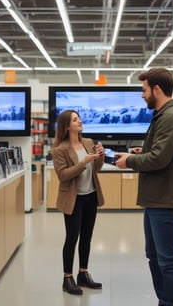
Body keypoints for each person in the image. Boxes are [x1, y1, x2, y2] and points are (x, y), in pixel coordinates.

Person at [115, 68, 173, 306]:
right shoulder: (164, 115)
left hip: (166, 199)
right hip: (157, 198)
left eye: (144, 90)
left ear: (156, 89)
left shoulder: (171, 117)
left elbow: (159, 159)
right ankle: (165, 300)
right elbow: (161, 152)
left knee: (167, 260)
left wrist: (129, 161)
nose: (142, 95)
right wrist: (142, 152)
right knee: (155, 257)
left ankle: (169, 303)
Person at [52, 109, 105, 296]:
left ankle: (83, 274)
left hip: (90, 195)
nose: (80, 121)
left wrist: (100, 155)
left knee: (87, 236)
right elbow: (63, 175)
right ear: (67, 126)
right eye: (75, 119)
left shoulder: (88, 143)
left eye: (79, 118)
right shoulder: (60, 149)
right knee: (72, 237)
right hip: (73, 198)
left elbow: (96, 168)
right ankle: (67, 278)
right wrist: (83, 162)